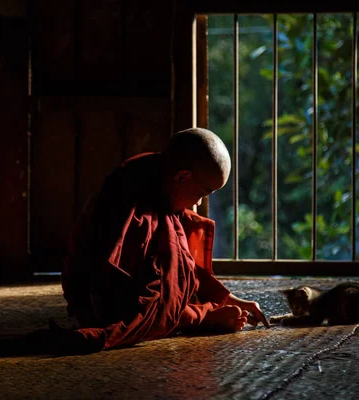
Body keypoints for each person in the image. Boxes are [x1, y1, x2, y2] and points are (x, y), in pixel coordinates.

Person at [59, 127, 269, 353]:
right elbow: (117, 302)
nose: (198, 204)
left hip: (128, 296)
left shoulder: (162, 187)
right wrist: (202, 317)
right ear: (182, 177)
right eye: (204, 193)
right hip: (101, 301)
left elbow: (182, 271)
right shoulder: (131, 206)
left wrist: (229, 299)